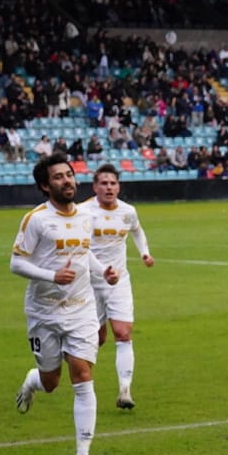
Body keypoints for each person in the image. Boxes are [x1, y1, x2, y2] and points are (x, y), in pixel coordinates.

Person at [12, 153, 118, 455]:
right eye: (58, 177)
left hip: (82, 308)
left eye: (69, 174)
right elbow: (16, 264)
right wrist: (51, 276)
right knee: (51, 381)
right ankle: (32, 382)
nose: (67, 180)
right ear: (46, 186)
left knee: (83, 373)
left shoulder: (86, 216)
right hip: (43, 311)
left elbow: (84, 255)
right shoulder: (36, 220)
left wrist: (104, 272)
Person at [77, 165, 154, 410]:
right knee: (96, 339)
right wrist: (102, 271)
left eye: (113, 183)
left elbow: (138, 231)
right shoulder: (82, 212)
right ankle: (80, 384)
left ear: (118, 186)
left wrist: (145, 253)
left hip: (118, 281)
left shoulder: (128, 211)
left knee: (123, 333)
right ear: (95, 187)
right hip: (89, 283)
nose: (109, 187)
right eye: (104, 183)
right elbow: (80, 248)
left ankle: (125, 391)